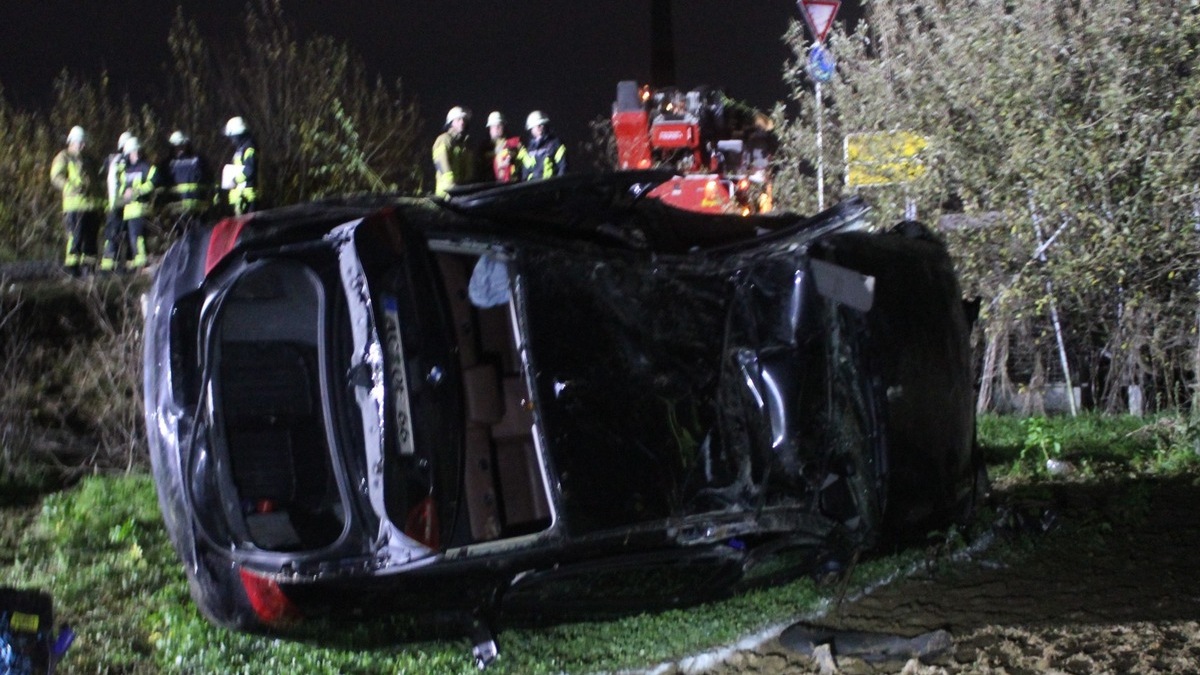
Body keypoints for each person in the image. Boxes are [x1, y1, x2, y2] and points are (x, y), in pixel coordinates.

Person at [49, 126, 100, 275]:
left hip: (91, 206)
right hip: (74, 206)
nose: (83, 145)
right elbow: (56, 177)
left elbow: (97, 181)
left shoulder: (89, 159)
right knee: (75, 238)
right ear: (72, 142)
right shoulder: (63, 157)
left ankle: (89, 270)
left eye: (84, 142)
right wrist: (70, 186)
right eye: (81, 142)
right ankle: (72, 269)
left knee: (91, 240)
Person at [101, 137, 155, 271]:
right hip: (122, 208)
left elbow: (153, 182)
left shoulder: (143, 167)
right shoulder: (118, 163)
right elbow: (116, 185)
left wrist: (136, 191)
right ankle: (117, 266)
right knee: (120, 236)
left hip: (133, 208)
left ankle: (134, 266)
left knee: (134, 238)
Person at [164, 130, 213, 233]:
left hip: (196, 208)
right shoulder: (198, 160)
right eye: (176, 146)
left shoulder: (169, 163)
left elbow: (209, 179)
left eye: (182, 145)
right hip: (180, 209)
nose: (180, 149)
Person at [432, 106, 475, 196]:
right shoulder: (444, 139)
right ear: (451, 122)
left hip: (462, 192)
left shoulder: (465, 145)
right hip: (446, 194)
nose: (462, 122)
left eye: (464, 120)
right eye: (458, 119)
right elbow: (440, 162)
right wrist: (450, 184)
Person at [223, 116, 257, 215]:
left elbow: (249, 170)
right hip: (241, 195)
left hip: (247, 196)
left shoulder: (249, 149)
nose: (231, 140)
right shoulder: (241, 149)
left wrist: (235, 180)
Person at [520, 110, 567, 181]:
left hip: (550, 186)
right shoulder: (529, 149)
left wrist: (558, 184)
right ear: (531, 129)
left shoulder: (555, 144)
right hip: (533, 187)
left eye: (541, 124)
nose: (538, 127)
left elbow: (563, 166)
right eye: (535, 126)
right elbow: (525, 173)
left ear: (545, 125)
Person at [484, 111, 523, 184]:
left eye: (499, 125)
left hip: (512, 184)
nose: (496, 128)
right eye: (493, 126)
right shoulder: (484, 148)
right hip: (490, 185)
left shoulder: (514, 143)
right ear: (489, 129)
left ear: (504, 126)